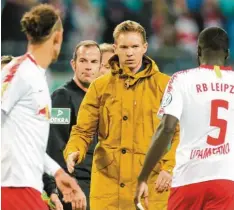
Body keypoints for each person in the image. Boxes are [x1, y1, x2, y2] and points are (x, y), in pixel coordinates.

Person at [64, 20, 179, 210]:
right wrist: (74, 150)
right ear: (115, 48)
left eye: (135, 46)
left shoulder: (165, 86)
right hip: (108, 191)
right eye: (124, 47)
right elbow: (82, 130)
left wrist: (169, 167)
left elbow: (180, 133)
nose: (130, 52)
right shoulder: (99, 86)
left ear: (145, 47)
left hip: (150, 188)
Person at [134, 27, 234, 210]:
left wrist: (143, 176)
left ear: (198, 51)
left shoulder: (181, 79)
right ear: (227, 54)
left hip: (188, 180)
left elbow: (166, 129)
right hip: (226, 181)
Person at [1, 4, 86, 210]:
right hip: (12, 187)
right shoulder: (18, 71)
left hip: (29, 187)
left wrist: (57, 172)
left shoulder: (40, 76)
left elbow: (30, 141)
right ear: (58, 37)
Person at [44, 40, 101, 210]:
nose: (88, 67)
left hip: (99, 184)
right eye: (83, 61)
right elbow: (54, 145)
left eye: (93, 62)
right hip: (75, 186)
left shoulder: (101, 98)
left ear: (100, 66)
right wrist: (54, 188)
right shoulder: (62, 97)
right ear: (73, 64)